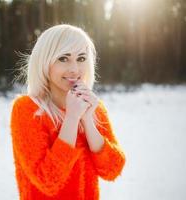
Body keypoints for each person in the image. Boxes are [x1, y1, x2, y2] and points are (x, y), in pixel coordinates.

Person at [10, 24, 126, 200]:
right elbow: (47, 180)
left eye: (81, 58)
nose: (74, 69)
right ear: (44, 61)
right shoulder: (27, 109)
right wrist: (71, 118)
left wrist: (88, 120)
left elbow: (112, 169)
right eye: (63, 58)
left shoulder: (95, 108)